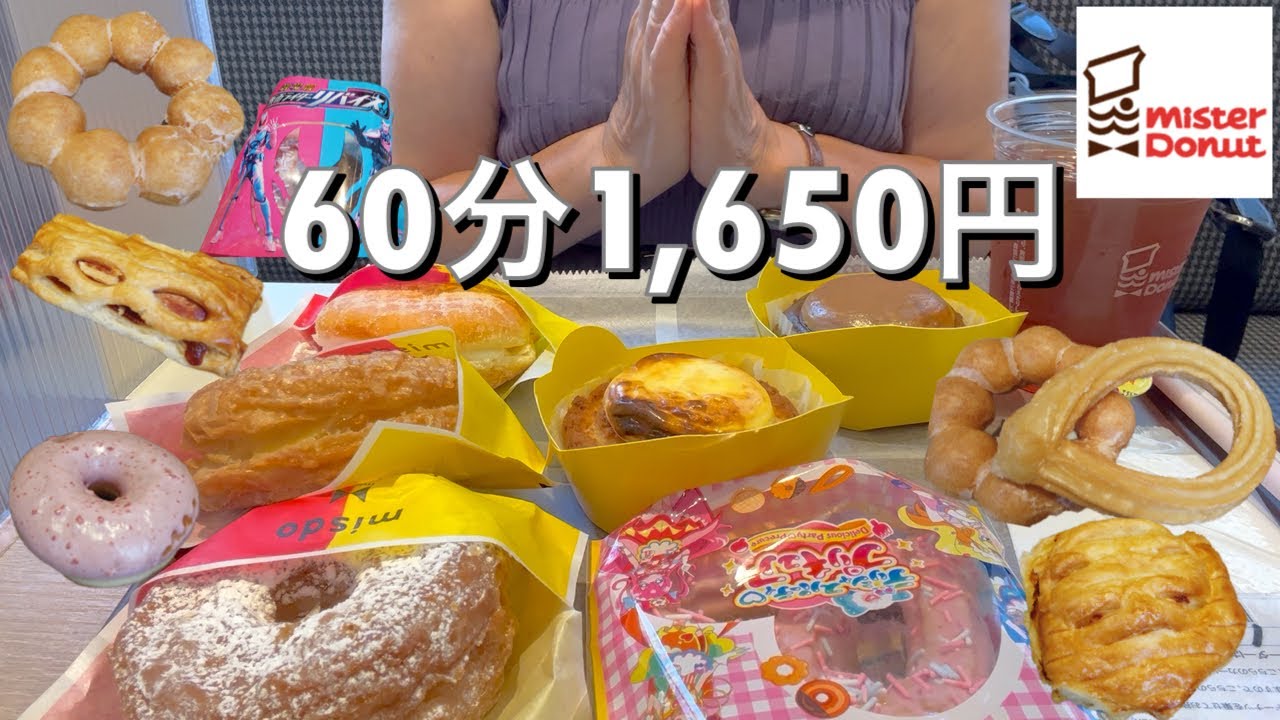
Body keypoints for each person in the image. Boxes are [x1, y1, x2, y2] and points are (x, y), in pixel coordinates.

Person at [382, 0, 1008, 265]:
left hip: (857, 360)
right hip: (539, 369)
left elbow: (984, 214)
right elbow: (418, 226)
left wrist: (775, 161)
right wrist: (614, 160)